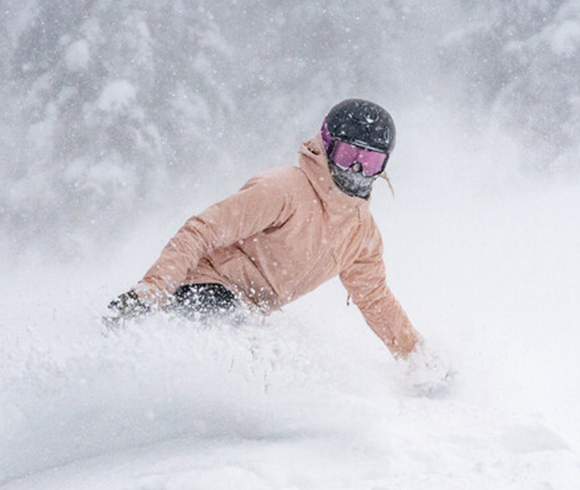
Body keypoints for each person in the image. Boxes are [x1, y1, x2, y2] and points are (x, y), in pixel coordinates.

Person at [107, 99, 450, 386]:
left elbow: (375, 299)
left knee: (266, 351)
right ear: (327, 146)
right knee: (240, 344)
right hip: (203, 289)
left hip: (247, 311)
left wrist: (419, 360)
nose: (357, 170)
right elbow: (201, 230)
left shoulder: (361, 233)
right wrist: (151, 292)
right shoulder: (284, 190)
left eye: (370, 161)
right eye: (348, 155)